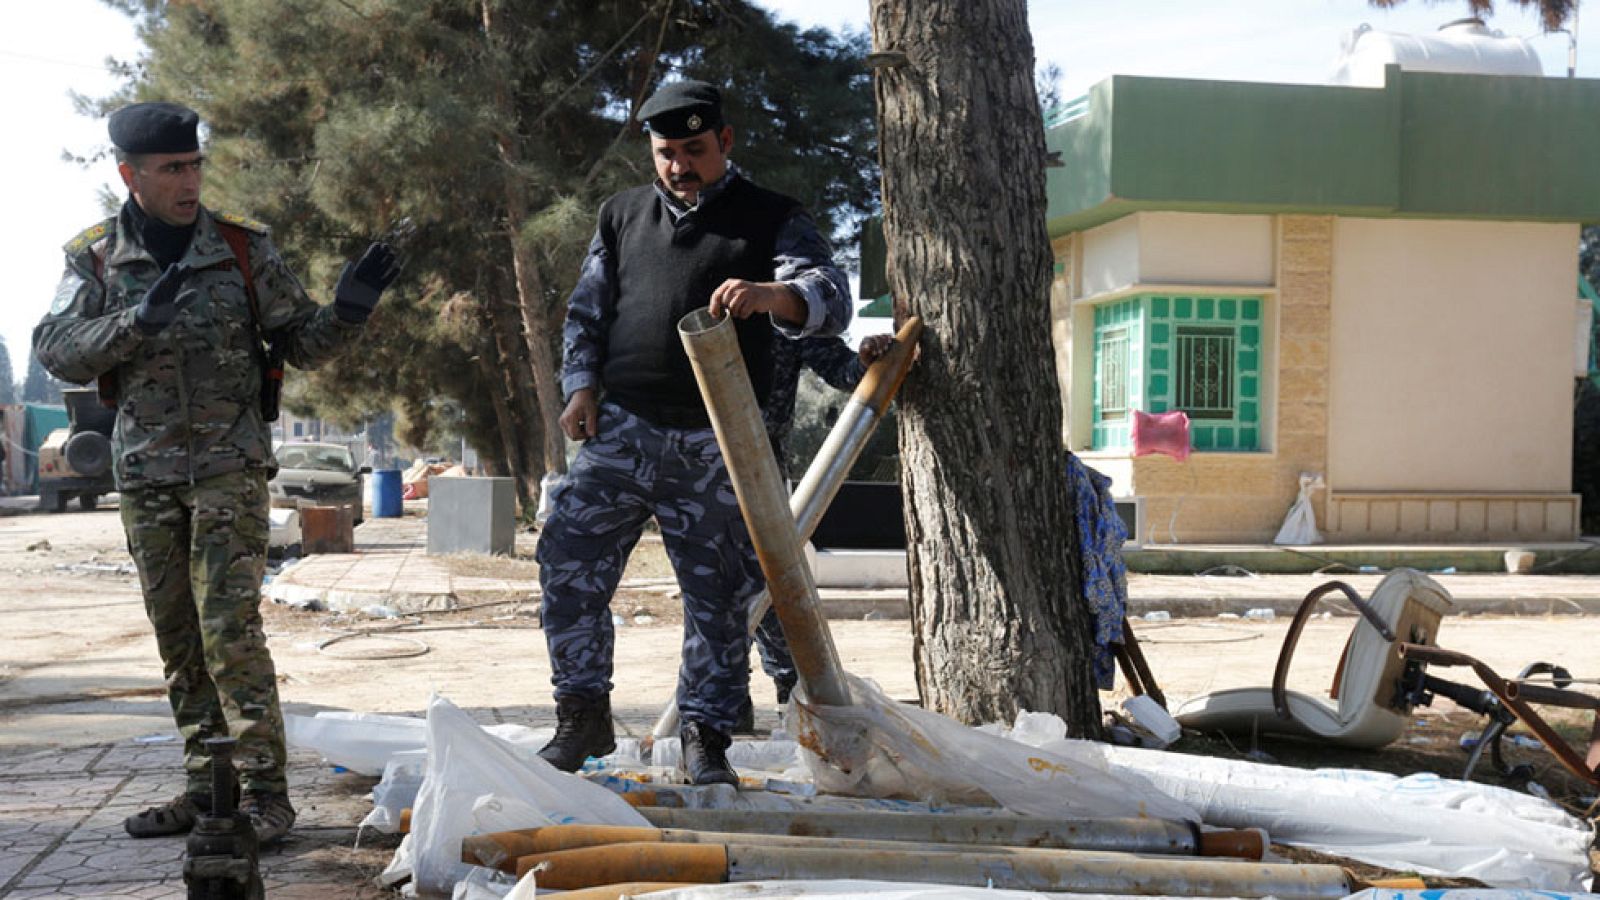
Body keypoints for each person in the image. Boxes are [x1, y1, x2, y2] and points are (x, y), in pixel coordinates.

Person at [33, 101, 400, 844]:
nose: (189, 180)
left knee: (229, 630)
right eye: (172, 169)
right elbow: (56, 348)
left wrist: (351, 309)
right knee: (178, 638)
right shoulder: (97, 257)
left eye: (194, 165)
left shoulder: (239, 249)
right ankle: (209, 789)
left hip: (229, 469)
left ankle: (268, 796)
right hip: (147, 477)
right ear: (130, 175)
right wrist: (137, 323)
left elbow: (303, 341)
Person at [536, 79, 851, 785]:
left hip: (720, 443)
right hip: (622, 431)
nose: (679, 165)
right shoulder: (621, 215)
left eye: (694, 149)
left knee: (719, 598)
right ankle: (581, 713)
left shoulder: (770, 217)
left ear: (725, 143)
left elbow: (830, 294)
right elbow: (587, 311)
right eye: (666, 152)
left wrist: (775, 295)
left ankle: (706, 737)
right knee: (567, 561)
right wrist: (580, 385)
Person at [737, 331, 893, 732]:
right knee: (710, 586)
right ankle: (724, 696)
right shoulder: (697, 296)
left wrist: (864, 359)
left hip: (760, 466)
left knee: (767, 585)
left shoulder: (785, 301)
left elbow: (841, 369)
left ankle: (791, 691)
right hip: (693, 464)